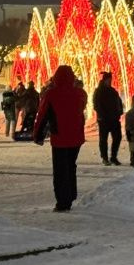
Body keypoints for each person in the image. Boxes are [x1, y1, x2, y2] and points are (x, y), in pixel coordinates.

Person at [33, 65, 87, 211]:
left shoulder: (51, 94)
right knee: (71, 166)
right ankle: (71, 194)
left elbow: (42, 115)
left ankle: (63, 201)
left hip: (60, 137)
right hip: (76, 137)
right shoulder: (80, 93)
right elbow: (82, 108)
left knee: (60, 169)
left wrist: (37, 135)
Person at [93, 72, 124, 166]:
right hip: (104, 119)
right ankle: (105, 157)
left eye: (111, 80)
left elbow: (118, 101)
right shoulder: (99, 91)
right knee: (103, 139)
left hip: (114, 118)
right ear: (104, 80)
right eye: (108, 80)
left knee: (117, 137)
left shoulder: (113, 91)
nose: (110, 81)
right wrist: (101, 115)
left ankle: (113, 157)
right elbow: (96, 104)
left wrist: (119, 112)